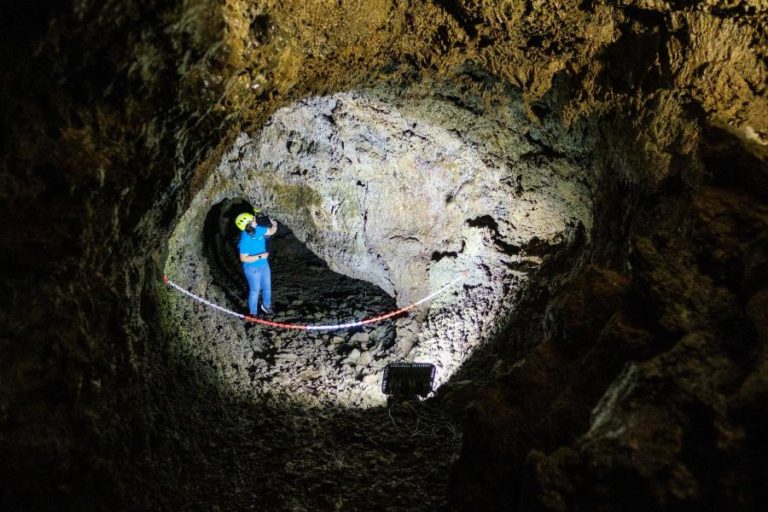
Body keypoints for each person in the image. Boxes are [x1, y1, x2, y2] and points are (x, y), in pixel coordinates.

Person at [235, 210, 278, 317]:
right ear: (248, 224)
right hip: (252, 268)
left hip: (264, 265)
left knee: (267, 286)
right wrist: (260, 256)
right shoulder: (245, 239)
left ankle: (266, 306)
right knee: (255, 290)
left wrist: (274, 225)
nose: (255, 220)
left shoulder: (258, 229)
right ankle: (253, 313)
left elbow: (271, 231)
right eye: (253, 220)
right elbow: (243, 258)